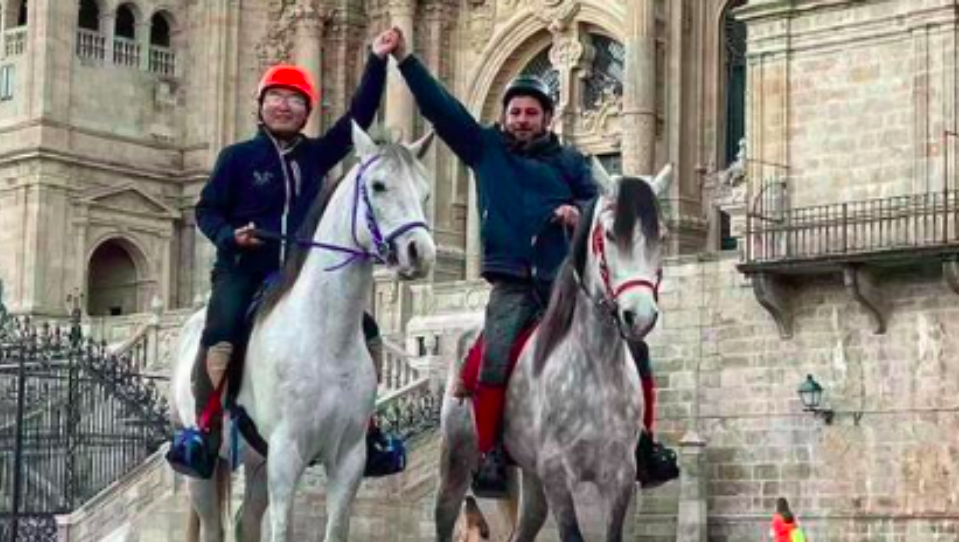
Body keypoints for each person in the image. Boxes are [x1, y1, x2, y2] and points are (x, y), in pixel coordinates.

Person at [388, 29, 679, 495]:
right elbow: (441, 111)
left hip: (568, 284)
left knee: (636, 349)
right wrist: (405, 58)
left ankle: (644, 445)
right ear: (504, 117)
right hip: (512, 285)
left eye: (532, 113)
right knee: (494, 356)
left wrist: (576, 213)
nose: (522, 119)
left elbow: (604, 209)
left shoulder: (572, 163)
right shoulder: (485, 151)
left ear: (547, 118)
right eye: (515, 112)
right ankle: (490, 454)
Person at [191, 30, 402, 469]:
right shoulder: (236, 158)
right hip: (244, 269)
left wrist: (377, 61)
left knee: (366, 332)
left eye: (295, 99)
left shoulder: (316, 155)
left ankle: (367, 425)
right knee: (221, 330)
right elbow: (207, 212)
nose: (284, 105)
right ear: (261, 106)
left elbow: (358, 118)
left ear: (307, 111)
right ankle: (203, 430)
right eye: (276, 97)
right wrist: (232, 238)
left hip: (298, 273)